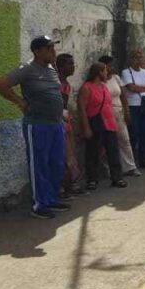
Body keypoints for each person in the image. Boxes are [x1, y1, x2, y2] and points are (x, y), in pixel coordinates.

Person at [0, 36, 68, 219]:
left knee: (56, 162)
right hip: (37, 125)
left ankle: (51, 198)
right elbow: (0, 84)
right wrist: (19, 102)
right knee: (39, 164)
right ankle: (39, 205)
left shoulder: (51, 69)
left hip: (56, 123)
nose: (53, 52)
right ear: (38, 51)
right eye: (49, 48)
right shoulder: (27, 69)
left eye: (53, 48)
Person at [78, 63, 127, 190]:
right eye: (105, 71)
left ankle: (117, 177)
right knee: (93, 152)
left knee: (112, 150)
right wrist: (86, 127)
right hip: (95, 121)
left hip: (108, 122)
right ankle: (92, 179)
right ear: (99, 72)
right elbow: (82, 108)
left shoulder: (104, 87)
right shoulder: (87, 88)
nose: (107, 73)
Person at [99, 55, 140, 177]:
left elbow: (123, 96)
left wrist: (126, 111)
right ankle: (108, 168)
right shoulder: (99, 81)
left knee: (125, 140)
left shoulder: (116, 78)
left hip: (118, 111)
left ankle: (130, 166)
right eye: (109, 65)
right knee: (106, 143)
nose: (111, 67)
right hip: (105, 114)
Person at [122, 49, 145, 169]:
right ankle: (133, 160)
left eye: (140, 57)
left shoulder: (144, 72)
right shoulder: (127, 72)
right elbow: (131, 88)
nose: (139, 60)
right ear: (131, 59)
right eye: (136, 57)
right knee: (134, 133)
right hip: (133, 105)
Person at [56, 53, 84, 198]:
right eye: (69, 64)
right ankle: (61, 187)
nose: (72, 67)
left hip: (66, 122)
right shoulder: (56, 84)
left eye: (73, 64)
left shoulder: (67, 85)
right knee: (61, 156)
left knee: (70, 155)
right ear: (60, 67)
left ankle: (69, 185)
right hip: (58, 122)